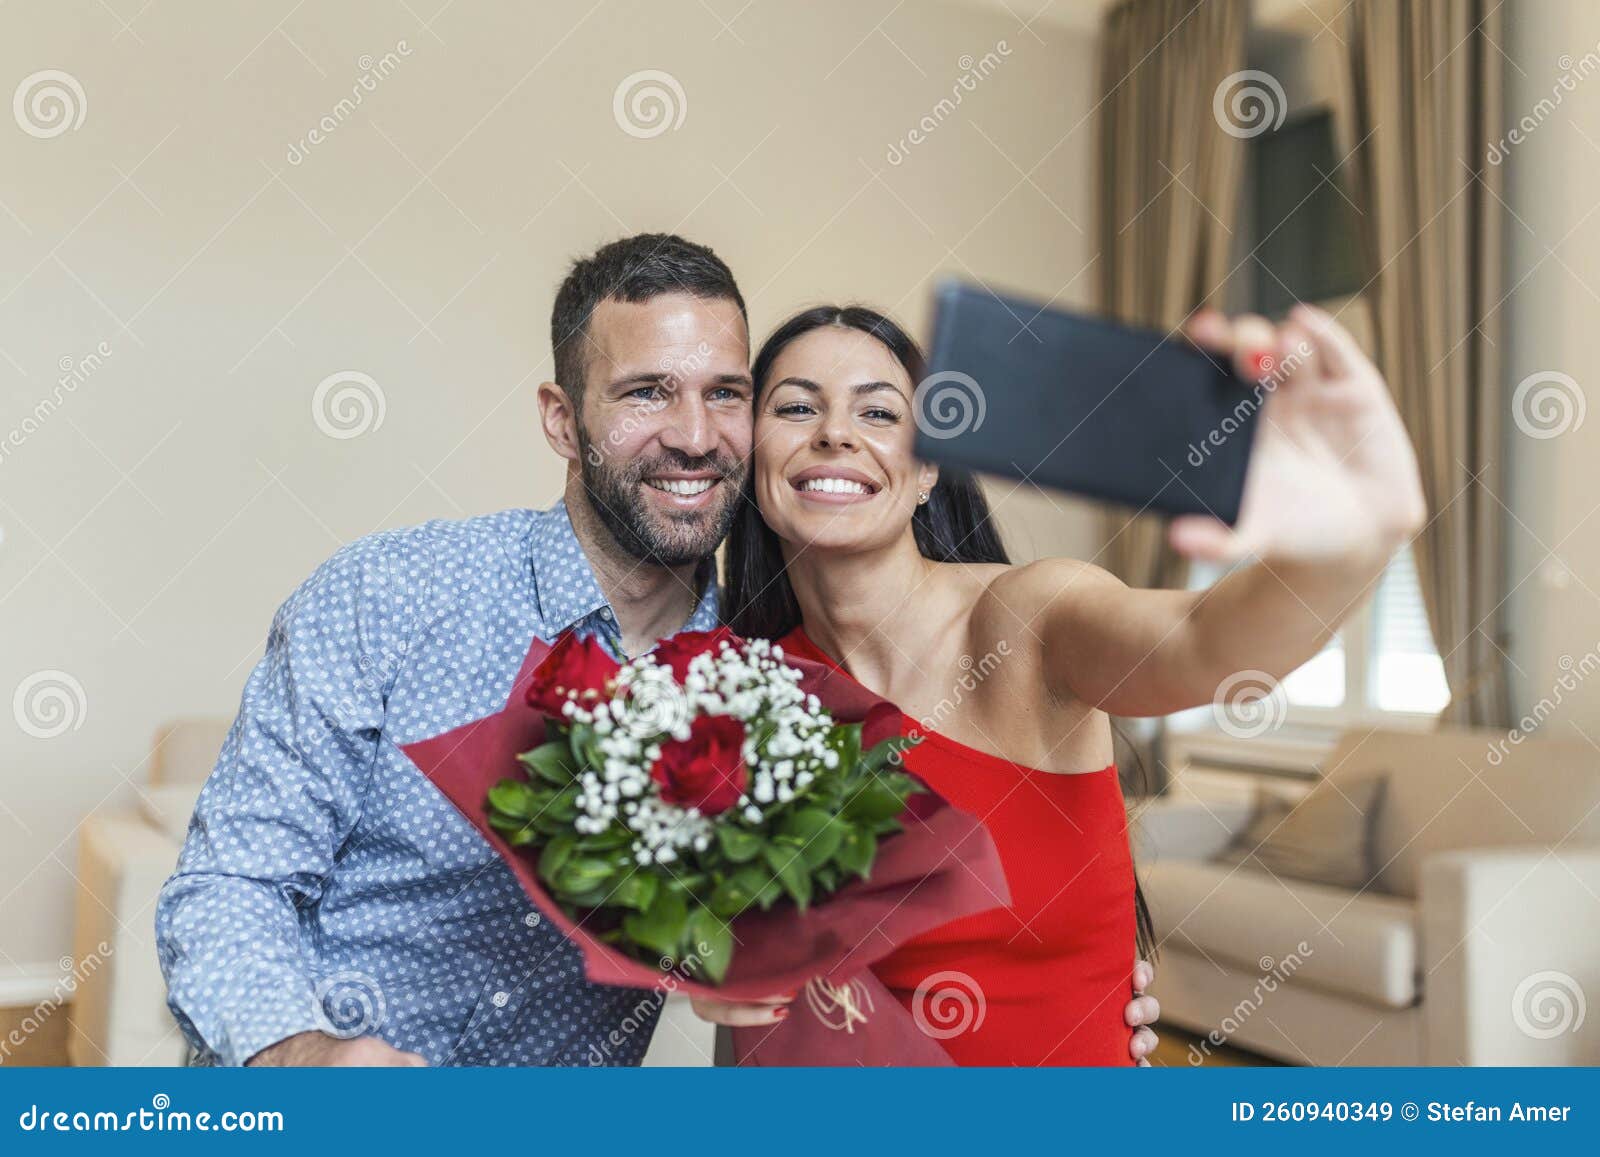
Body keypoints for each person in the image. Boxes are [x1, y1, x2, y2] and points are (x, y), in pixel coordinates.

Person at [154, 233, 1162, 1066]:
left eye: (726, 393)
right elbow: (229, 882)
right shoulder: (391, 592)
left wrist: (1089, 992)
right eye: (645, 392)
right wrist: (299, 1051)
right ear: (563, 419)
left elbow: (865, 926)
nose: (693, 434)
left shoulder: (771, 680)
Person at [721, 303, 1425, 1064]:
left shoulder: (1027, 621)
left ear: (928, 467)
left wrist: (1346, 548)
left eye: (879, 411)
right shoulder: (739, 694)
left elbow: (1203, 644)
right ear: (751, 455)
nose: (834, 432)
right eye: (796, 406)